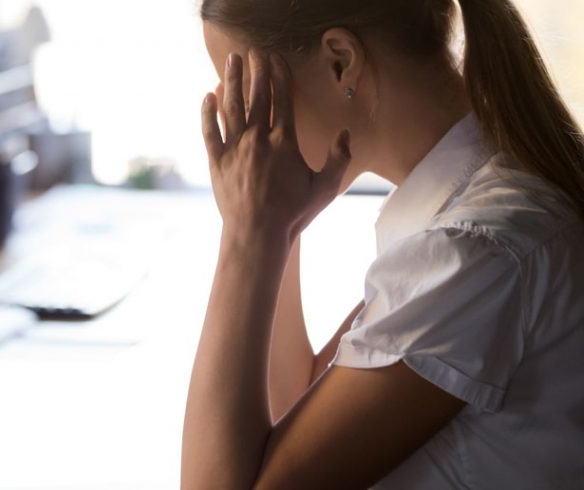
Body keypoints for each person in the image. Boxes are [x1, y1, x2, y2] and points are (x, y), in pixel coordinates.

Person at [181, 0, 584, 488]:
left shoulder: (471, 253)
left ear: (340, 60)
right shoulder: (475, 209)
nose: (230, 107)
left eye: (237, 79)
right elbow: (293, 408)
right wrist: (275, 226)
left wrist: (246, 236)